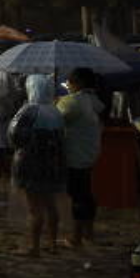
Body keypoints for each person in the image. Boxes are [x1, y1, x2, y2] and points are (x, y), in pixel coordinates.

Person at [9, 74, 67, 258]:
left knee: (34, 208)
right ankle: (52, 243)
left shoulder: (28, 111)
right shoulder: (56, 112)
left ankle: (34, 247)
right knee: (51, 204)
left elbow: (14, 136)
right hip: (53, 164)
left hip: (30, 164)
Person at [58, 67, 103, 247]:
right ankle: (88, 232)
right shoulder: (94, 100)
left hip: (74, 155)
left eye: (70, 82)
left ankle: (76, 237)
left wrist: (55, 104)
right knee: (85, 193)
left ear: (79, 83)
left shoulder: (72, 102)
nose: (68, 85)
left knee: (77, 195)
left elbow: (57, 119)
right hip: (89, 153)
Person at [0, 70, 25, 179]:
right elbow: (14, 96)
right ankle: (5, 171)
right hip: (5, 116)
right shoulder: (7, 77)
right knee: (5, 145)